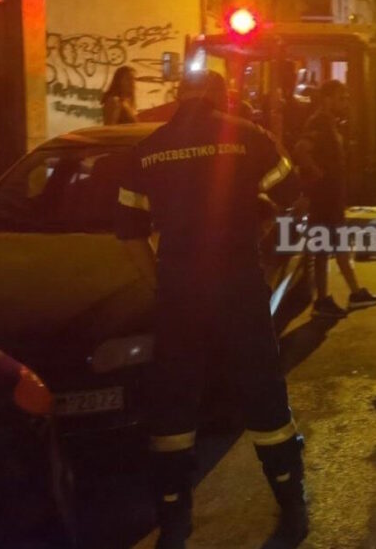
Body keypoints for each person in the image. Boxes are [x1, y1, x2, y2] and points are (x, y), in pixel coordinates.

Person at [114, 70, 308, 548]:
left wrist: (162, 281)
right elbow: (292, 194)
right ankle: (289, 499)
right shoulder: (248, 137)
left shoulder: (147, 150)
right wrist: (256, 226)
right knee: (263, 391)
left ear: (179, 97)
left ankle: (174, 514)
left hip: (180, 293)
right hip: (239, 287)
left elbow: (130, 233)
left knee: (174, 400)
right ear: (222, 98)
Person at [297, 80, 376, 319]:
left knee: (331, 248)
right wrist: (319, 175)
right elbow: (301, 150)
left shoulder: (329, 122)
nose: (345, 102)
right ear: (327, 98)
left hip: (331, 198)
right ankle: (334, 298)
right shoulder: (319, 122)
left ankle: (345, 295)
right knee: (328, 248)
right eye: (341, 98)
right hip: (325, 199)